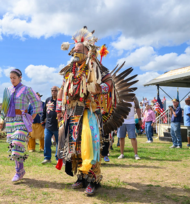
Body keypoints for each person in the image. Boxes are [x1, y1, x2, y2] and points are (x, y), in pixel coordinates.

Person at [54, 27, 137, 196]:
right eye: (74, 51)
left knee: (90, 145)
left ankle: (93, 179)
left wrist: (100, 88)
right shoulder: (70, 70)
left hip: (90, 112)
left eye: (78, 51)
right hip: (73, 113)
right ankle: (80, 177)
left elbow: (110, 85)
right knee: (74, 146)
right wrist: (59, 108)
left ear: (87, 50)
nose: (75, 53)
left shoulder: (97, 68)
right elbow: (63, 89)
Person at [0, 68, 42, 183]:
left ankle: (19, 171)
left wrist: (31, 117)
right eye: (10, 78)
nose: (12, 80)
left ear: (20, 78)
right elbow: (4, 107)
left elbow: (37, 102)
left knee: (17, 142)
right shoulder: (7, 90)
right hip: (10, 121)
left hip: (21, 120)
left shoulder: (26, 89)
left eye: (14, 78)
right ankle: (19, 170)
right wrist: (2, 120)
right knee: (14, 147)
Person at [41, 86, 59, 164]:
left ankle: (59, 158)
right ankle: (47, 158)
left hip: (58, 126)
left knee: (59, 143)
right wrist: (42, 121)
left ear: (58, 91)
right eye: (52, 90)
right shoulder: (48, 100)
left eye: (55, 90)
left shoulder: (60, 100)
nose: (53, 92)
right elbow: (44, 112)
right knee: (47, 141)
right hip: (48, 125)